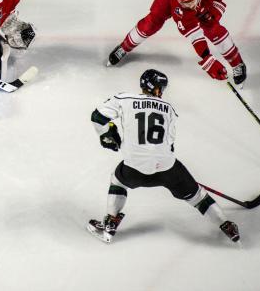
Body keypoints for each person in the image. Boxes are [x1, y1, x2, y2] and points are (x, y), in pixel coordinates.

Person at [87, 69, 240, 243]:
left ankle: (110, 223)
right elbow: (170, 145)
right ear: (157, 89)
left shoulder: (125, 99)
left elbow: (97, 117)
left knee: (118, 180)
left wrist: (107, 134)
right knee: (197, 196)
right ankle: (226, 225)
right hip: (168, 169)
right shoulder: (170, 110)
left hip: (133, 169)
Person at [107, 0, 247, 86]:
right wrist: (208, 60)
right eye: (185, 3)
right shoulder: (178, 7)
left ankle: (237, 64)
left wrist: (216, 8)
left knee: (212, 27)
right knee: (152, 22)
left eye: (191, 1)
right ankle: (124, 47)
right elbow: (195, 36)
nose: (190, 6)